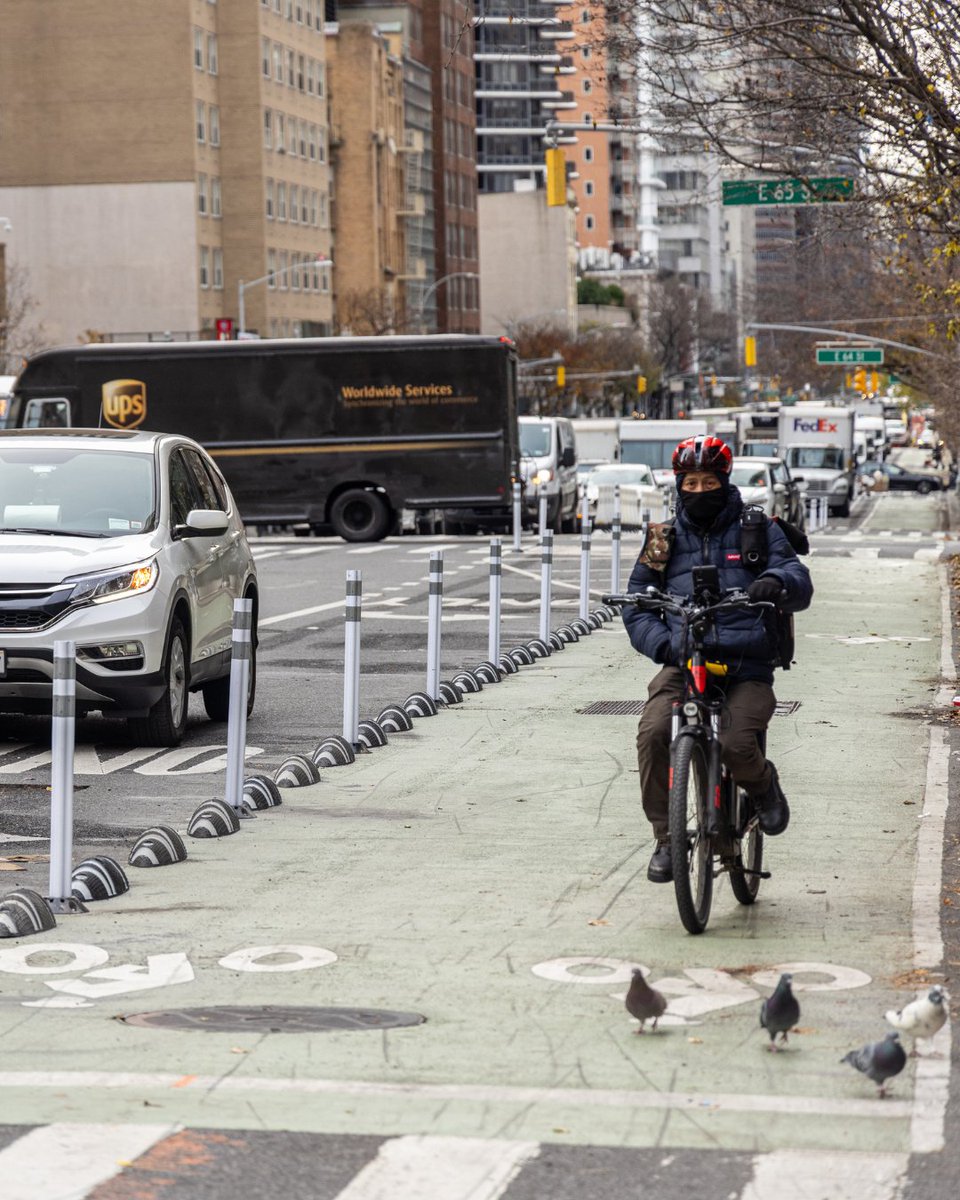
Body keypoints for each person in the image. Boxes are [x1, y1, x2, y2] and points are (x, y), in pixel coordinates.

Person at [621, 435, 814, 883]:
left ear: (724, 481)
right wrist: (665, 646)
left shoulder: (757, 528)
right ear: (678, 485)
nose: (700, 490)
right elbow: (637, 603)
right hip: (684, 662)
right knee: (652, 733)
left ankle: (764, 788)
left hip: (747, 666)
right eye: (691, 482)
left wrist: (775, 582)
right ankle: (667, 840)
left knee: (733, 743)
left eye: (709, 481)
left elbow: (797, 578)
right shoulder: (663, 538)